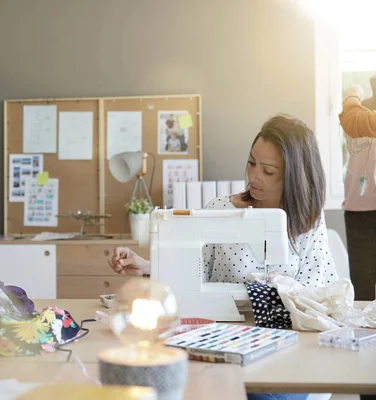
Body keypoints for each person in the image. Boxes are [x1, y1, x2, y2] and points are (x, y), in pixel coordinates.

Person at [109, 115, 340, 400]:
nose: (253, 176)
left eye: (267, 171)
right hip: (223, 338)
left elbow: (316, 297)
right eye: (251, 163)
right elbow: (197, 270)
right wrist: (147, 267)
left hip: (284, 346)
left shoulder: (309, 221)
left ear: (294, 175)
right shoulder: (220, 208)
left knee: (263, 395)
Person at [339, 84, 376, 302]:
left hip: (359, 208)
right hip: (358, 207)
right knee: (361, 287)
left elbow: (353, 121)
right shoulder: (357, 112)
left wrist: (351, 94)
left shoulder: (354, 115)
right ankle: (364, 334)